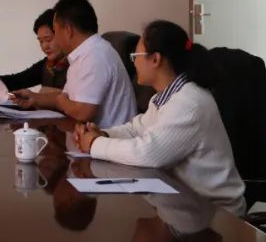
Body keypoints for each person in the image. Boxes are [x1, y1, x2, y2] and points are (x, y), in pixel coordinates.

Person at [73, 20, 246, 215]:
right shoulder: (166, 96)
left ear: (155, 59)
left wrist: (94, 143)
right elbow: (136, 129)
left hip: (218, 216)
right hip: (185, 205)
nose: (133, 62)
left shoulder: (189, 103)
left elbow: (147, 153)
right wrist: (103, 134)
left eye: (135, 56)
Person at [12, 0, 137, 129]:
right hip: (89, 137)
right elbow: (65, 97)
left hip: (109, 140)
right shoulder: (84, 53)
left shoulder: (94, 56)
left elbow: (82, 112)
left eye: (56, 31)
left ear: (68, 30)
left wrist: (61, 101)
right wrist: (33, 97)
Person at [0, 9, 68, 93]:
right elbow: (18, 80)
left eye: (48, 39)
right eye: (41, 41)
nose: (45, 46)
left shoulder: (74, 65)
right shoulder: (46, 66)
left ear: (63, 34)